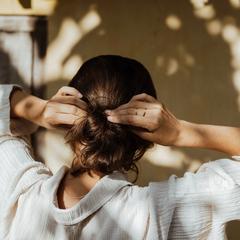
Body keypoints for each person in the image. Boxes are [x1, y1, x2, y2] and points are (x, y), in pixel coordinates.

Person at [0, 55, 240, 240]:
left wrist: (37, 109)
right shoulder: (156, 212)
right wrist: (180, 132)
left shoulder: (20, 195)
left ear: (69, 123)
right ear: (144, 139)